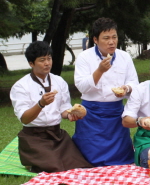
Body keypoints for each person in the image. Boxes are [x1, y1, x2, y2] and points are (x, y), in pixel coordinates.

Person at [10, 41, 93, 173]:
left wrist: (70, 114)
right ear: (31, 63)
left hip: (57, 135)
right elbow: (25, 119)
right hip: (34, 137)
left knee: (79, 164)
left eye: (49, 58)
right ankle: (32, 160)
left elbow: (64, 109)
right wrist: (40, 104)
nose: (47, 63)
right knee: (55, 167)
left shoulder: (59, 82)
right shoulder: (20, 86)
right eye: (42, 60)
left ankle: (44, 159)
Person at [73, 17, 139, 166]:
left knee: (122, 157)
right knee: (88, 157)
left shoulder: (124, 57)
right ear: (95, 39)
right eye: (106, 38)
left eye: (114, 37)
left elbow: (134, 83)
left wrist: (126, 88)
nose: (111, 42)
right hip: (91, 113)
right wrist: (100, 70)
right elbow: (82, 86)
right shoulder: (84, 57)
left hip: (116, 112)